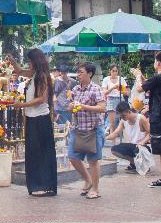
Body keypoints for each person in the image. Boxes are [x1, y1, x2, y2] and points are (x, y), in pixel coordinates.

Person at [9, 49, 57, 197]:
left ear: (35, 61)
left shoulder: (42, 76)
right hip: (31, 118)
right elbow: (19, 71)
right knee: (33, 153)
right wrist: (13, 61)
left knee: (42, 153)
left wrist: (21, 105)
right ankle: (36, 185)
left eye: (30, 61)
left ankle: (46, 186)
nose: (28, 64)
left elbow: (41, 99)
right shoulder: (34, 74)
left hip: (40, 119)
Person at [135, 51, 161, 188]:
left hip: (158, 116)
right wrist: (142, 77)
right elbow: (151, 86)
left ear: (158, 63)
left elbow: (139, 89)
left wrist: (137, 77)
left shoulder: (158, 77)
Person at [67, 62, 105, 200]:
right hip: (77, 128)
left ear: (89, 74)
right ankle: (88, 180)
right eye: (78, 72)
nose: (78, 75)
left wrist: (83, 106)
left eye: (81, 72)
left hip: (93, 129)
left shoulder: (96, 89)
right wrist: (71, 107)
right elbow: (70, 107)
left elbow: (102, 108)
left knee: (93, 160)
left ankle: (95, 189)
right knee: (72, 157)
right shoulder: (76, 89)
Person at [108, 102, 151, 173]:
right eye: (121, 116)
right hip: (132, 146)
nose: (122, 118)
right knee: (114, 149)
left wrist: (142, 142)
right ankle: (134, 163)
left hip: (143, 147)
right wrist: (104, 138)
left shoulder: (141, 118)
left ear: (128, 111)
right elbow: (115, 133)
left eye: (123, 116)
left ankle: (144, 164)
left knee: (137, 149)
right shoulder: (123, 121)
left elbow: (151, 133)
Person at [101, 65, 127, 140]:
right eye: (113, 71)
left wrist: (121, 89)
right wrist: (113, 87)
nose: (115, 72)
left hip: (120, 99)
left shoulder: (121, 79)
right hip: (111, 99)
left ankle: (124, 139)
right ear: (110, 71)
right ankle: (113, 142)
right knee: (112, 123)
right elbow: (104, 92)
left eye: (116, 71)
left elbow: (126, 92)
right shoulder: (106, 79)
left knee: (124, 120)